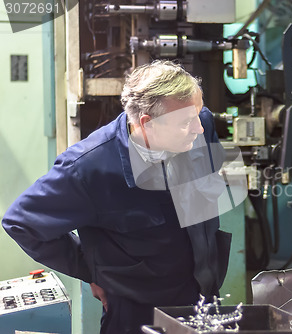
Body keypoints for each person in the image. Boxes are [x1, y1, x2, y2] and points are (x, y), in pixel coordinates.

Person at [2, 60, 232, 334]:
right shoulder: (87, 169)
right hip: (140, 314)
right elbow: (21, 223)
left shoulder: (199, 124)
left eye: (198, 113)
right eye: (186, 122)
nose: (200, 129)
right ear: (147, 124)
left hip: (204, 298)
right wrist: (92, 270)